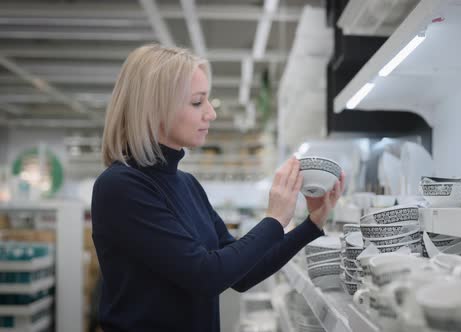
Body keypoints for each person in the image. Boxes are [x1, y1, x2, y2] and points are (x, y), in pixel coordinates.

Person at [91, 44, 343, 332]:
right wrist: (274, 219)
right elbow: (205, 276)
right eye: (198, 102)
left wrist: (312, 224)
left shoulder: (187, 184)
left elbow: (242, 274)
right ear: (155, 109)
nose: (210, 113)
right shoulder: (120, 188)